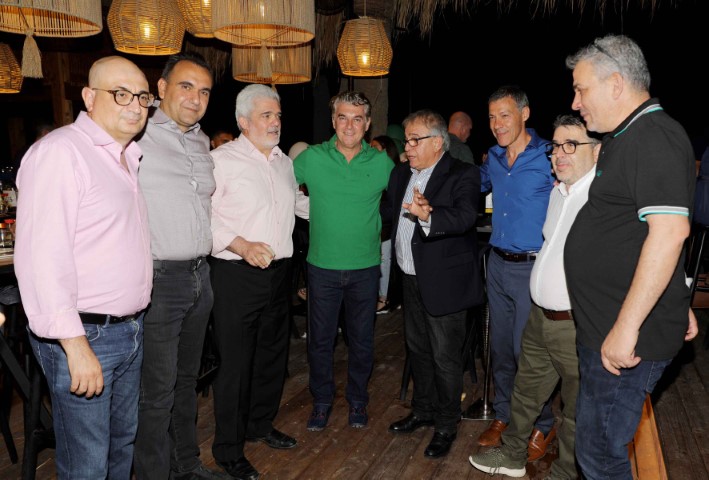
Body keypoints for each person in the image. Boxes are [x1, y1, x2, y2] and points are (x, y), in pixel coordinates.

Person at [563, 34, 698, 479]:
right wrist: (675, 297)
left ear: (616, 84)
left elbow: (670, 233)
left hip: (625, 337)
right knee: (595, 446)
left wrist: (627, 328)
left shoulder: (654, 137)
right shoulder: (627, 135)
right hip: (609, 324)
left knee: (600, 456)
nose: (576, 102)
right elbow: (643, 229)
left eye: (581, 89)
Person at [14, 56, 153, 478]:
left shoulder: (125, 156)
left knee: (120, 447)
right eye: (121, 94)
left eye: (142, 97)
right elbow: (41, 258)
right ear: (89, 98)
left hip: (128, 329)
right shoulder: (61, 153)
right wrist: (74, 346)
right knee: (87, 464)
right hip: (86, 334)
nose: (135, 105)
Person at [469, 114, 600, 478]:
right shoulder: (559, 193)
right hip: (540, 313)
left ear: (597, 151)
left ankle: (565, 472)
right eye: (556, 146)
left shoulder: (603, 199)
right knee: (526, 390)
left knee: (576, 408)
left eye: (571, 145)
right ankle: (513, 456)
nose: (559, 154)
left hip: (575, 323)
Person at [209, 84, 309, 480]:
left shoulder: (284, 163)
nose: (275, 122)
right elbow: (204, 214)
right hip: (236, 274)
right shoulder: (221, 161)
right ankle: (228, 449)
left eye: (278, 115)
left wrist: (345, 207)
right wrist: (241, 244)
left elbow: (299, 205)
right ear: (243, 121)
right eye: (266, 115)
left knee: (271, 356)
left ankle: (259, 425)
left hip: (279, 273)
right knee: (235, 364)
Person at [134, 53, 223, 480]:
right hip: (159, 279)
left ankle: (186, 465)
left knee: (187, 380)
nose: (195, 98)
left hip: (200, 276)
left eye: (204, 91)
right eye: (186, 86)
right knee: (157, 390)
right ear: (162, 88)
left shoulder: (201, 141)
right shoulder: (136, 132)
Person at [385, 109, 483, 458]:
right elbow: (390, 216)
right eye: (407, 140)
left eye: (415, 140)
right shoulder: (400, 174)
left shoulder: (463, 173)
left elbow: (465, 216)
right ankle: (423, 409)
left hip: (445, 282)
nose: (407, 147)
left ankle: (446, 423)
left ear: (438, 142)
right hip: (409, 278)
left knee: (444, 356)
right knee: (418, 350)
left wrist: (429, 215)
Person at [294, 91, 394, 431]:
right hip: (321, 267)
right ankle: (321, 400)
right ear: (333, 121)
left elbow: (403, 198)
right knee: (320, 341)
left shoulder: (381, 163)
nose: (349, 125)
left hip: (365, 268)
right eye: (342, 117)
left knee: (362, 341)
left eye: (356, 119)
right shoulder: (311, 158)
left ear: (367, 124)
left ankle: (358, 399)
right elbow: (275, 185)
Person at [477, 85, 557, 456]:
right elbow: (469, 186)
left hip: (533, 267)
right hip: (497, 264)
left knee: (529, 352)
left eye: (504, 115)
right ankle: (504, 415)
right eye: (492, 117)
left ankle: (543, 424)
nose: (497, 124)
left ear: (524, 114)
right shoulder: (493, 157)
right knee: (501, 348)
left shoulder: (549, 154)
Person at [371, 134, 401, 314]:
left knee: (385, 261)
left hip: (387, 225)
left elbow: (393, 203)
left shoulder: (393, 171)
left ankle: (385, 298)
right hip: (376, 224)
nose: (370, 150)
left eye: (375, 147)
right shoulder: (372, 170)